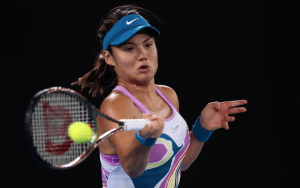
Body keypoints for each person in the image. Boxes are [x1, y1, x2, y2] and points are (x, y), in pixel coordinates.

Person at [72, 5, 247, 188]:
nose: (142, 55)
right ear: (109, 57)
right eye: (129, 48)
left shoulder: (168, 95)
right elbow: (133, 169)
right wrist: (146, 139)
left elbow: (177, 164)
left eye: (148, 45)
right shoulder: (116, 105)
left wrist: (202, 129)